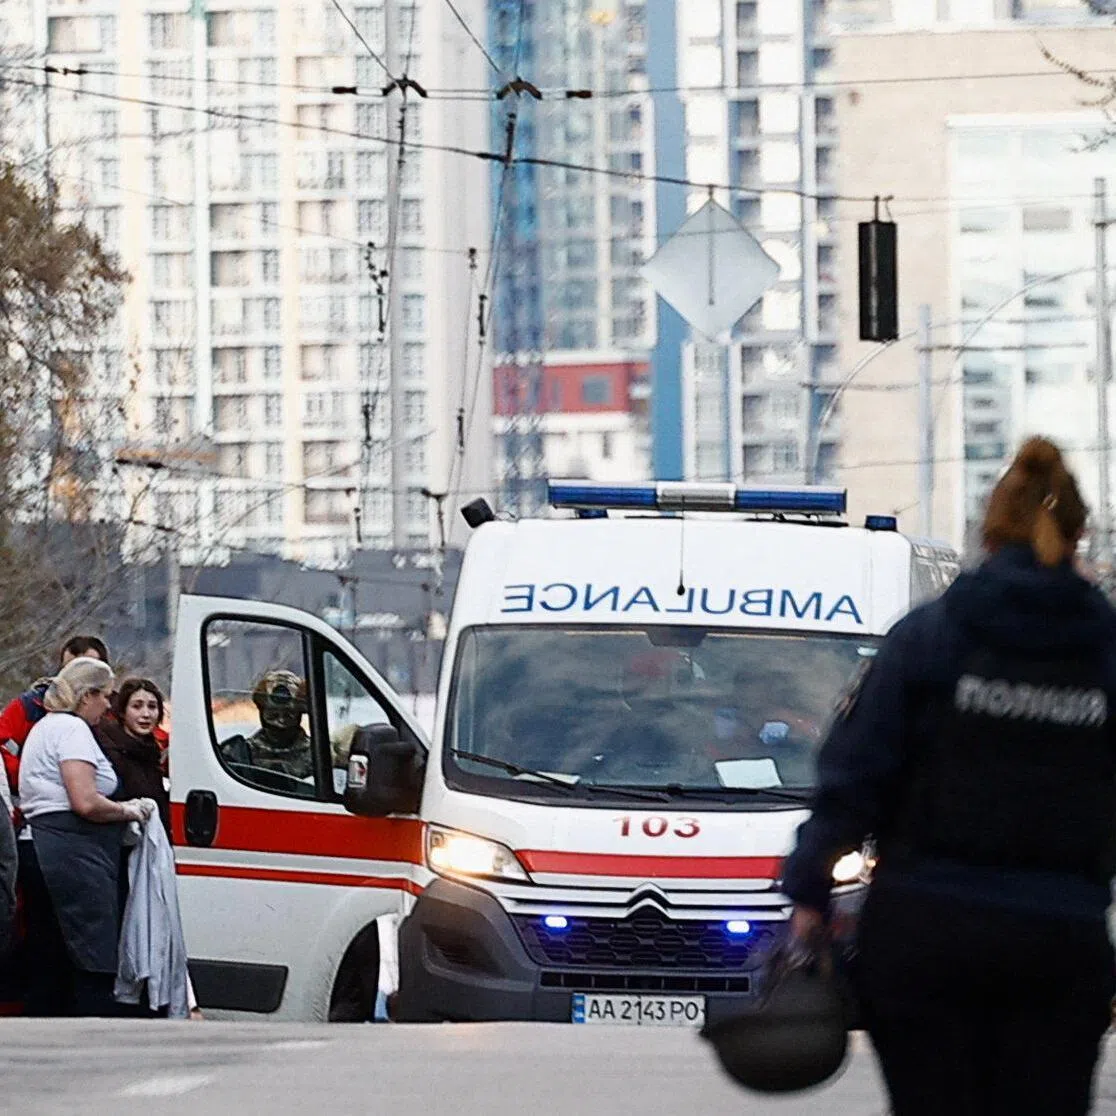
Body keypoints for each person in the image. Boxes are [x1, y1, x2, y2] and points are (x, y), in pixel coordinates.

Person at [782, 437, 1116, 1116]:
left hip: (925, 932)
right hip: (1058, 940)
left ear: (988, 535)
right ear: (1078, 535)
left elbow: (854, 775)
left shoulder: (928, 639)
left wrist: (810, 891)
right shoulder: (1104, 651)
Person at [17, 657, 156, 1016]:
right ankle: (94, 1029)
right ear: (86, 696)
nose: (109, 706)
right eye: (106, 696)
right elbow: (85, 801)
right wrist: (128, 810)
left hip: (41, 850)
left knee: (51, 960)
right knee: (90, 959)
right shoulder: (71, 729)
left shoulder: (45, 727)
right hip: (70, 853)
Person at [0, 635, 109, 796]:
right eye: (70, 668)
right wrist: (31, 781)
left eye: (86, 668)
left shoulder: (114, 712)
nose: (76, 675)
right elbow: (3, 745)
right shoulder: (31, 706)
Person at [96, 679, 172, 838]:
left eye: (152, 707)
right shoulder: (108, 751)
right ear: (122, 712)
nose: (146, 714)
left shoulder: (153, 752)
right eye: (137, 706)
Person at [220, 670, 312, 781]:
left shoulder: (319, 753)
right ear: (262, 711)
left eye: (289, 714)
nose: (281, 721)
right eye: (273, 714)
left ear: (300, 713)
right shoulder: (238, 754)